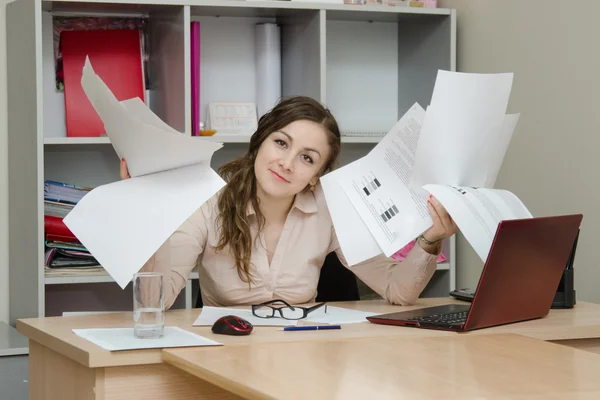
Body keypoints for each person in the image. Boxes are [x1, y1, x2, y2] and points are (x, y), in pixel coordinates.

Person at [120, 96, 459, 310]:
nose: (286, 162)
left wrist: (430, 239)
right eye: (281, 143)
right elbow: (154, 301)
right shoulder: (208, 202)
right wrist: (143, 217)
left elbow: (397, 291)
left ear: (316, 176)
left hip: (307, 356)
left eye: (307, 158)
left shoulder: (331, 209)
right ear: (259, 143)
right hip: (225, 355)